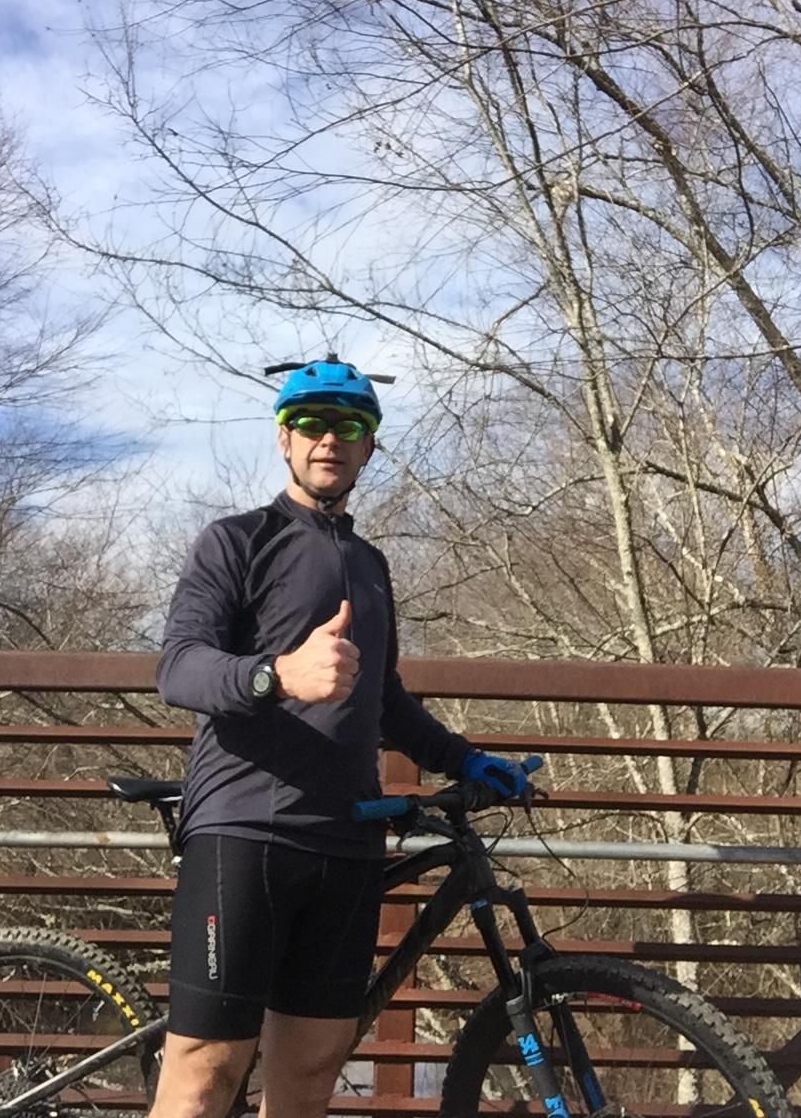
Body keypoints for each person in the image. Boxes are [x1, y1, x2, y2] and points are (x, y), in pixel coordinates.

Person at [151, 355, 528, 1118]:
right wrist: (276, 675)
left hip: (347, 842)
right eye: (312, 423)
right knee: (207, 1075)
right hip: (244, 832)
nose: (331, 438)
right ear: (283, 439)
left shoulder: (371, 564)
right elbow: (179, 668)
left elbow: (384, 701)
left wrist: (466, 760)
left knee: (313, 1071)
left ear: (370, 446)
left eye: (350, 425)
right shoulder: (236, 542)